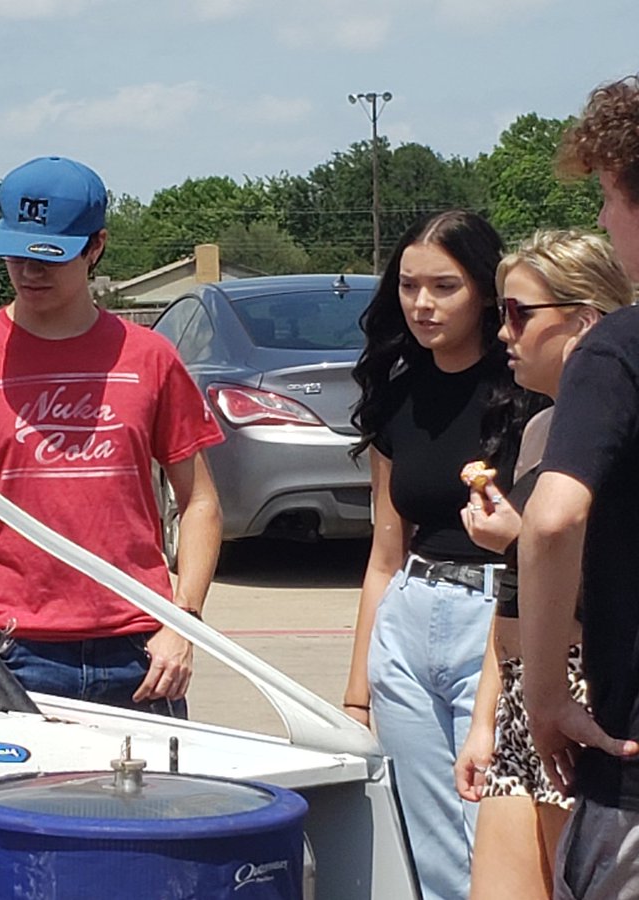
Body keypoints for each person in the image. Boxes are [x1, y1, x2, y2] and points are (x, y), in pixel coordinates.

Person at [0, 156, 224, 716]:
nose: (28, 271)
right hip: (8, 649)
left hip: (139, 651)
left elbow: (200, 502)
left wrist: (182, 620)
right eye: (15, 254)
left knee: (143, 807)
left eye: (49, 256)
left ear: (96, 246)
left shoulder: (150, 359)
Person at [343, 209, 529, 900]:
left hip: (499, 616)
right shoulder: (397, 388)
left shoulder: (527, 389)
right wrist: (356, 694)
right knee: (428, 844)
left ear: (485, 288)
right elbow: (384, 554)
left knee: (496, 829)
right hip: (410, 615)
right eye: (409, 285)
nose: (422, 304)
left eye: (444, 286)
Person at [452, 230, 633, 900]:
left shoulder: (619, 432)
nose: (503, 332)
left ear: (585, 319)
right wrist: (484, 720)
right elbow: (517, 595)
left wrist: (518, 537)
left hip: (584, 693)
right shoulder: (539, 431)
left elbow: (603, 573)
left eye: (519, 313)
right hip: (527, 693)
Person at [519, 74, 639, 900]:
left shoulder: (617, 350)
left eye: (606, 194)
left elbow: (554, 520)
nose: (601, 218)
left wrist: (546, 690)